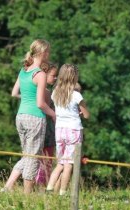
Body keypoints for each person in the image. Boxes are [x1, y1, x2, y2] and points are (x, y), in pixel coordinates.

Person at [2, 39, 56, 194]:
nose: (49, 54)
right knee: (33, 157)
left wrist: (28, 98)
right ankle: (27, 196)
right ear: (43, 52)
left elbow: (15, 93)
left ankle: (7, 187)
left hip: (21, 116)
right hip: (35, 118)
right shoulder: (40, 74)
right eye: (48, 51)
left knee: (27, 155)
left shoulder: (23, 70)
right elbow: (40, 104)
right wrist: (53, 114)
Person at [46, 64, 89, 196]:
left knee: (60, 163)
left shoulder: (55, 93)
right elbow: (86, 115)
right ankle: (63, 193)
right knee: (69, 164)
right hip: (73, 130)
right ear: (74, 77)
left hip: (59, 130)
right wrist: (81, 112)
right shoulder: (76, 95)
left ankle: (49, 188)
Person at [35, 62, 58, 187]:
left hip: (41, 128)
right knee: (46, 160)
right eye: (53, 75)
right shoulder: (47, 92)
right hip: (47, 130)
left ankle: (39, 184)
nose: (55, 78)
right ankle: (41, 185)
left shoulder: (36, 90)